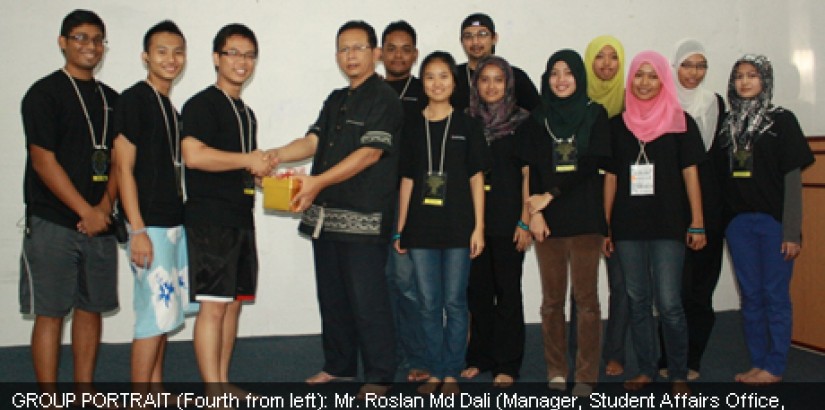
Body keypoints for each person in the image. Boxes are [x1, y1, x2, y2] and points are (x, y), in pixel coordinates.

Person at [269, 21, 401, 397]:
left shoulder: (384, 98)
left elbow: (370, 153)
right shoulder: (335, 99)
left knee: (368, 300)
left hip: (364, 217)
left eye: (358, 47)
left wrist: (317, 182)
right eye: (344, 49)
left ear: (375, 53)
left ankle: (379, 375)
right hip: (324, 219)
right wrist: (273, 156)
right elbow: (312, 142)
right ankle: (339, 367)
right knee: (333, 298)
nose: (351, 56)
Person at [19, 9, 119, 394]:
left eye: (97, 39)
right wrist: (86, 211)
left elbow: (118, 161)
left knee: (92, 309)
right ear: (63, 42)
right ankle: (48, 399)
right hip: (53, 221)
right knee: (51, 313)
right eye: (80, 38)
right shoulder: (44, 93)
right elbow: (43, 162)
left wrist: (105, 207)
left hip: (100, 223)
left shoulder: (112, 100)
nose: (90, 46)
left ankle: (84, 395)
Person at [602, 51, 706, 396]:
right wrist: (606, 225)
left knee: (670, 302)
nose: (644, 83)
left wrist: (697, 222)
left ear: (663, 79)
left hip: (669, 224)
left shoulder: (681, 122)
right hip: (628, 225)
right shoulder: (618, 124)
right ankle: (646, 368)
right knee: (637, 299)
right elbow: (612, 179)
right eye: (639, 75)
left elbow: (691, 175)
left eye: (652, 76)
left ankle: (677, 371)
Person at [180, 23, 272, 398]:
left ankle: (222, 380)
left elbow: (242, 165)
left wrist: (267, 175)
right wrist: (247, 159)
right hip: (210, 220)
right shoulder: (201, 104)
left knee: (233, 307)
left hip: (240, 217)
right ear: (217, 58)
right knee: (214, 309)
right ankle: (212, 390)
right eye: (233, 53)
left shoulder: (246, 112)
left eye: (249, 55)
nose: (242, 62)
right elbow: (194, 155)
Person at [395, 50, 489, 396]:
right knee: (428, 302)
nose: (437, 83)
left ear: (454, 81)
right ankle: (434, 369)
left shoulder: (468, 124)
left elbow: (476, 179)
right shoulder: (411, 124)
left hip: (458, 228)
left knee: (455, 301)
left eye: (444, 76)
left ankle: (451, 370)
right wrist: (400, 228)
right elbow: (406, 180)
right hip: (420, 229)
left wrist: (478, 228)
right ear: (423, 82)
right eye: (430, 76)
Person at [521, 50, 611, 397]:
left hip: (586, 219)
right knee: (551, 302)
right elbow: (531, 170)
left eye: (568, 72)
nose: (561, 80)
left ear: (579, 77)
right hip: (549, 224)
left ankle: (587, 375)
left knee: (587, 302)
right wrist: (536, 212)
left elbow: (591, 165)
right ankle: (557, 371)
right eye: (554, 73)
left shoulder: (594, 114)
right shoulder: (537, 119)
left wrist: (551, 195)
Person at [112, 20, 196, 391]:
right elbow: (123, 168)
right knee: (152, 315)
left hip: (173, 225)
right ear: (146, 56)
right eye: (162, 51)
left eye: (178, 51)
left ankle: (156, 394)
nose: (171, 59)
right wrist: (138, 229)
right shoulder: (133, 100)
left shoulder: (170, 108)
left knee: (166, 314)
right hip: (150, 227)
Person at [720, 54, 814, 385]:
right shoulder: (727, 125)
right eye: (739, 76)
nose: (744, 82)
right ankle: (758, 362)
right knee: (751, 296)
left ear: (765, 81)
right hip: (739, 226)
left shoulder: (782, 121)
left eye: (752, 75)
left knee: (775, 295)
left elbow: (792, 182)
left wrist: (792, 231)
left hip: (774, 225)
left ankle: (775, 365)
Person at [657, 39, 727, 381]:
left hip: (710, 207)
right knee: (672, 291)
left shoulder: (715, 104)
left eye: (700, 66)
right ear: (675, 67)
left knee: (700, 287)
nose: (693, 73)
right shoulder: (662, 105)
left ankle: (692, 357)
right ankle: (667, 356)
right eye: (687, 65)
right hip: (672, 207)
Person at [461, 56, 531, 388]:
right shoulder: (465, 122)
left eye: (498, 80)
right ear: (475, 85)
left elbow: (531, 174)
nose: (491, 86)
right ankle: (479, 357)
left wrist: (525, 220)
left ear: (508, 84)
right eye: (484, 80)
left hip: (508, 220)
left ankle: (508, 362)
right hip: (474, 223)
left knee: (507, 292)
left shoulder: (522, 123)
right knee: (477, 293)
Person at [379, 20, 429, 383]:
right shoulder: (370, 90)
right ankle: (387, 356)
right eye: (391, 48)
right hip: (370, 199)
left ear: (415, 53)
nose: (398, 54)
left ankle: (416, 356)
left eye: (405, 48)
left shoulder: (425, 93)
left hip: (410, 198)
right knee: (378, 282)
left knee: (407, 282)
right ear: (380, 52)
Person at [583, 35, 628, 377]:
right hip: (580, 195)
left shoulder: (632, 102)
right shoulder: (576, 102)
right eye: (600, 57)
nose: (607, 64)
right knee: (580, 281)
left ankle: (615, 352)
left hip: (624, 197)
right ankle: (582, 349)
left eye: (614, 57)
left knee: (620, 282)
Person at [451, 13, 540, 113]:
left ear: (494, 38)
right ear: (461, 41)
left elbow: (537, 118)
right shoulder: (451, 77)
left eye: (482, 34)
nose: (475, 42)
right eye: (468, 36)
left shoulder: (515, 76)